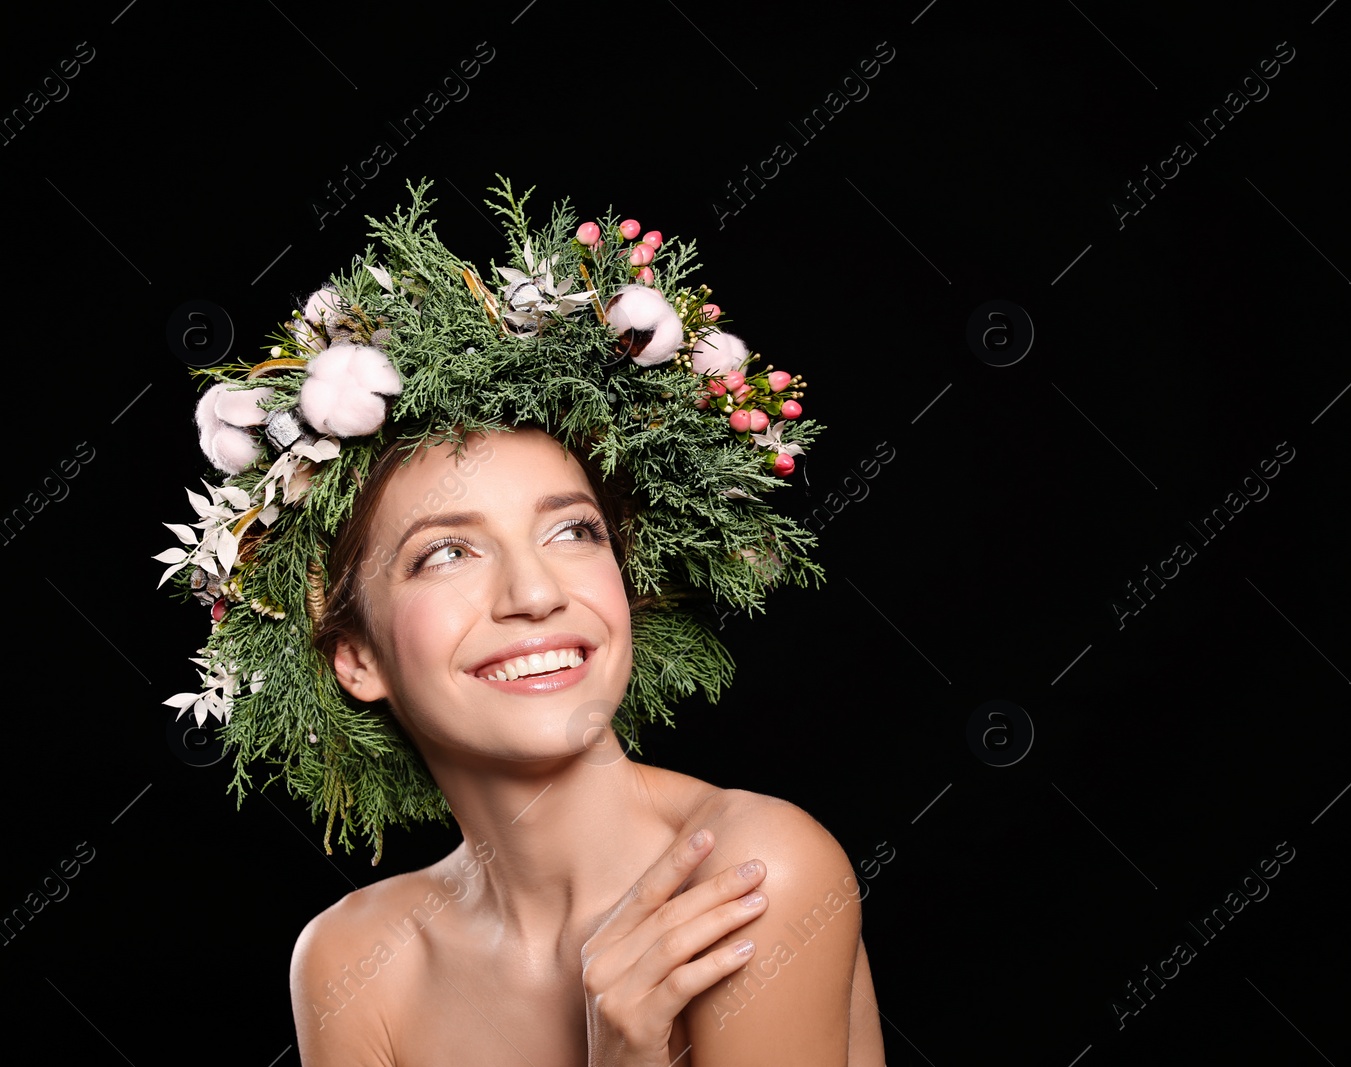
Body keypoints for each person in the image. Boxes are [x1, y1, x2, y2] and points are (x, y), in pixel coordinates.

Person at [156, 180, 885, 1064]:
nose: (535, 593)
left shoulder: (749, 876)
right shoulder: (356, 963)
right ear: (354, 656)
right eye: (446, 553)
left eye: (572, 530)